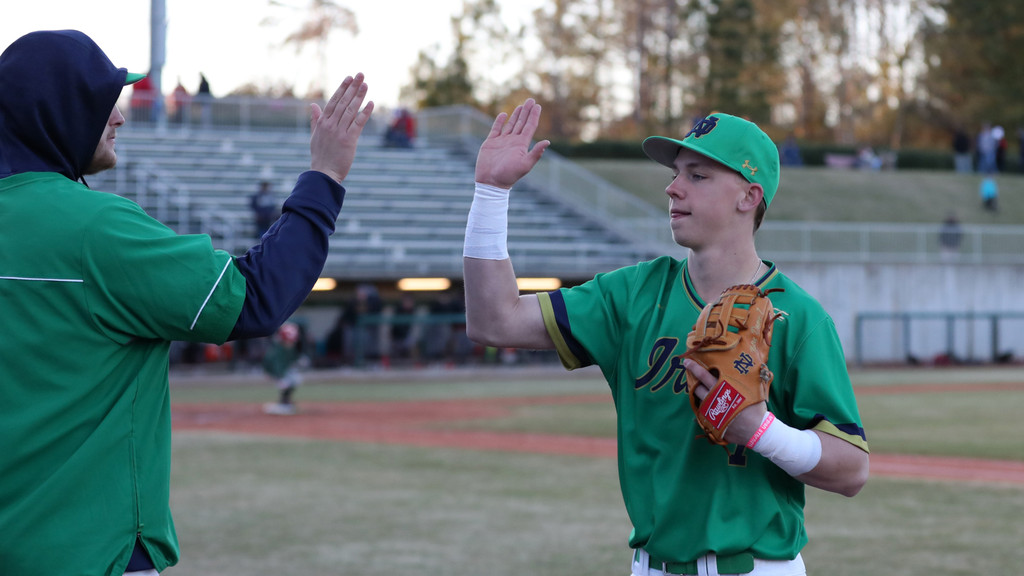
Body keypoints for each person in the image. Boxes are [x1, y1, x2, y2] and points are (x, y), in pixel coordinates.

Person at [0, 29, 373, 576]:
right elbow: (254, 299)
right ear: (59, 110)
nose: (119, 118)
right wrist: (325, 176)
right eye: (104, 103)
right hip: (91, 553)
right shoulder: (95, 229)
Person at [462, 100, 870, 576]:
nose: (673, 187)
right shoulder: (633, 294)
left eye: (697, 175)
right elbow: (495, 321)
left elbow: (851, 469)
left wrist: (760, 431)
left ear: (749, 196)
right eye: (677, 173)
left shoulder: (797, 316)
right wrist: (491, 193)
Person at [262, 322, 307, 415]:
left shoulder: (290, 348)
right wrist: (280, 377)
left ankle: (286, 401)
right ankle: (283, 403)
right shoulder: (277, 350)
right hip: (272, 372)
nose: (290, 343)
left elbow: (293, 358)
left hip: (283, 371)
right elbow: (276, 366)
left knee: (296, 379)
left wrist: (299, 361)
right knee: (286, 382)